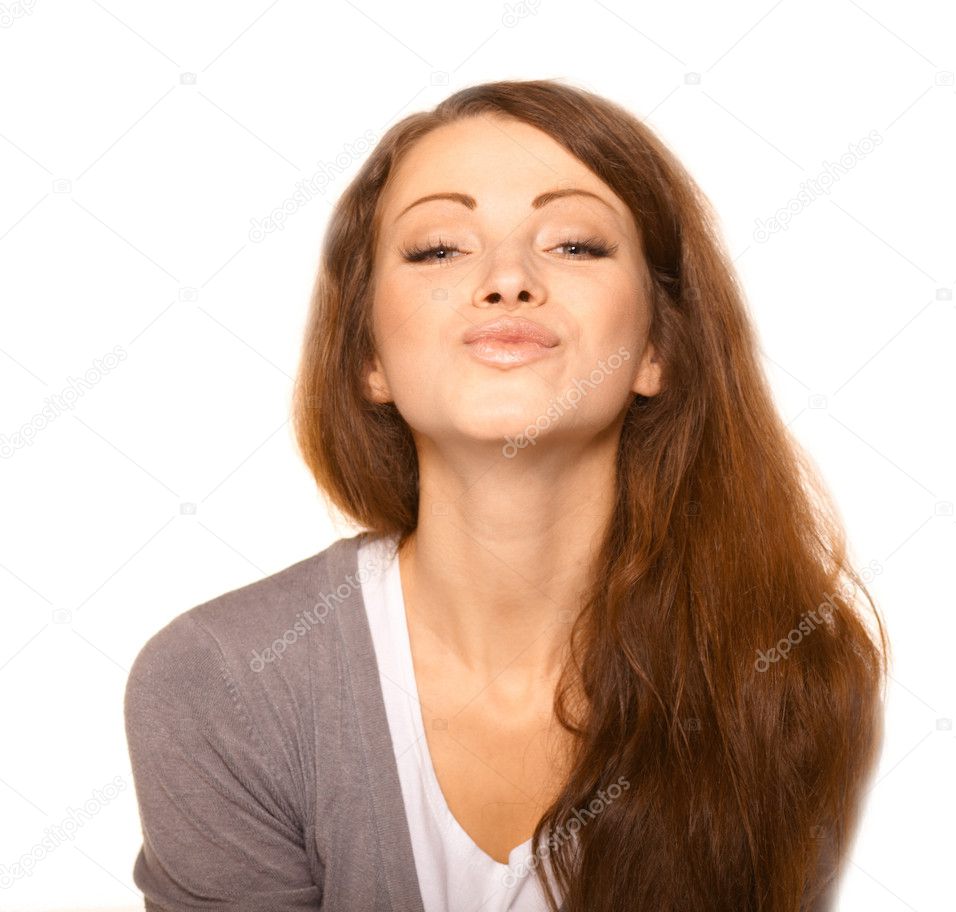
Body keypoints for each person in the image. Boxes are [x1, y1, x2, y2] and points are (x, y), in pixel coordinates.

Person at [124, 78, 889, 912]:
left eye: (573, 244)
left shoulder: (788, 675)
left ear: (655, 353)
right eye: (440, 249)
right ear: (368, 359)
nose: (509, 278)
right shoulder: (222, 685)